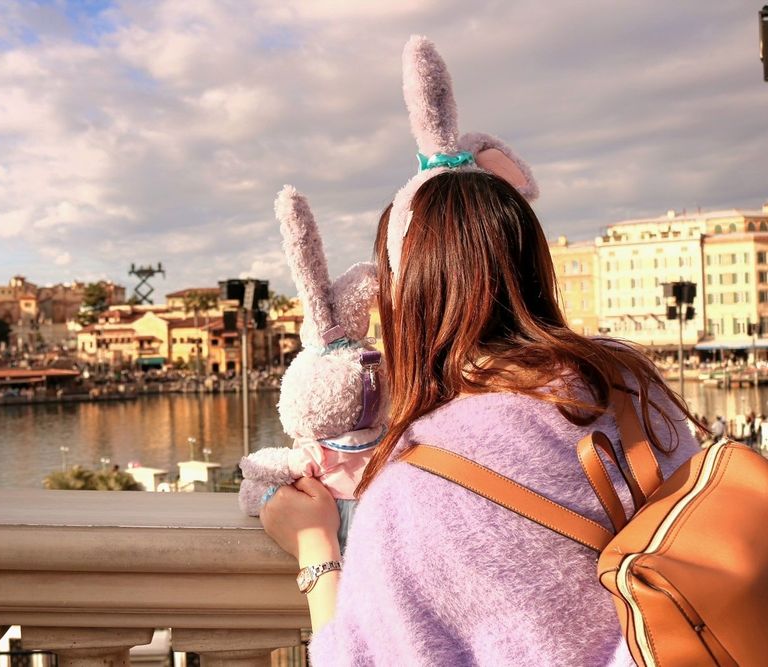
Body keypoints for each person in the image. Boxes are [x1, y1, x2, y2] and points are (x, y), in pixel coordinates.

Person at [260, 36, 701, 667]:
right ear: (531, 265)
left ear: (407, 301)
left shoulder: (411, 493)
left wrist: (316, 552)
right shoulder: (634, 390)